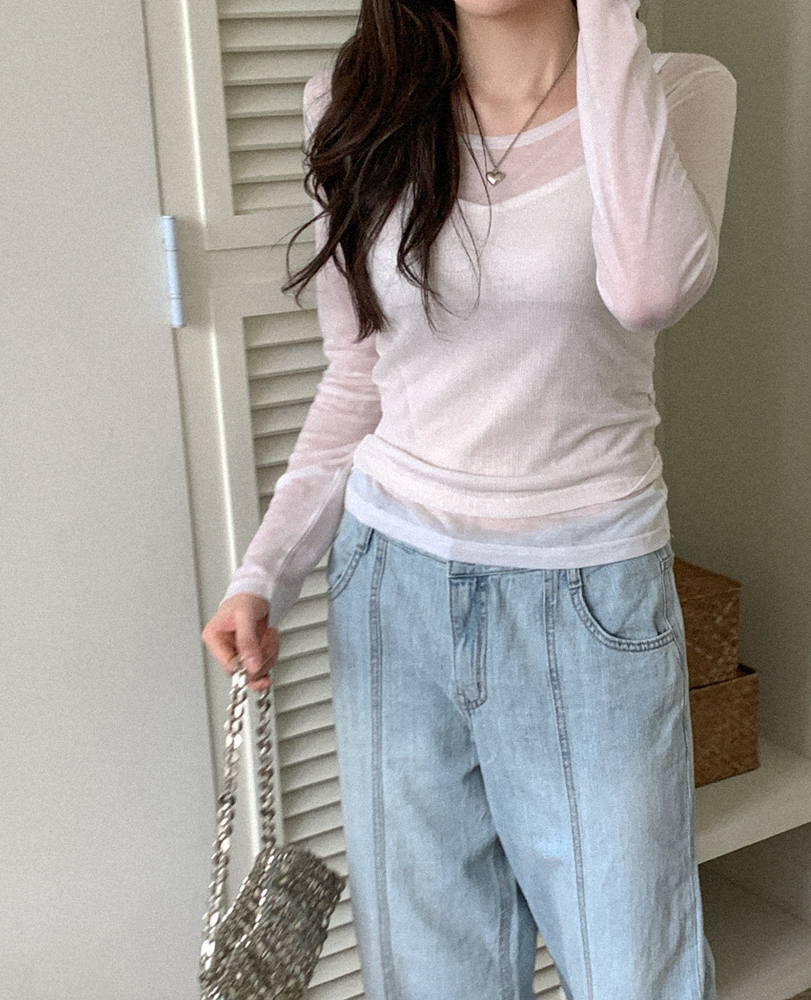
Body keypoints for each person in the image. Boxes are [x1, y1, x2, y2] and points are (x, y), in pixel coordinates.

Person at [202, 0, 736, 996]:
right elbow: (356, 378)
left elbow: (649, 290)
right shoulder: (353, 106)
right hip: (389, 591)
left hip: (588, 598)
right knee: (429, 974)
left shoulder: (677, 92)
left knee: (638, 971)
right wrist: (265, 569)